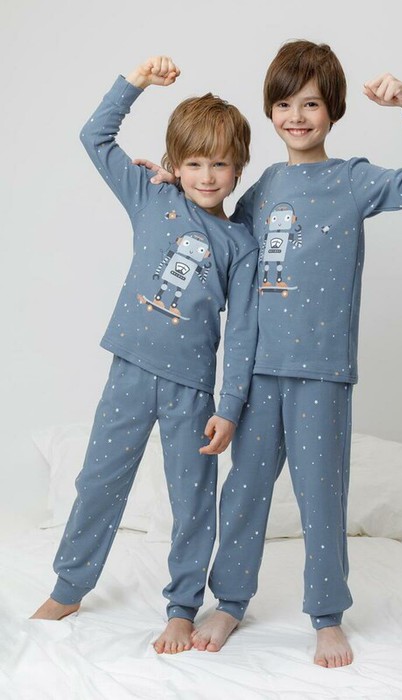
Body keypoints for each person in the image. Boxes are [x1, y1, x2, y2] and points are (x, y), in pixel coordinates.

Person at [138, 39, 402, 668]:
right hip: (257, 373)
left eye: (310, 103)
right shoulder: (262, 189)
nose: (297, 116)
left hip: (322, 373)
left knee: (320, 496)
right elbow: (220, 239)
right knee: (245, 492)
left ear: (333, 108)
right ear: (270, 111)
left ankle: (327, 615)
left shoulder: (355, 179)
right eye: (284, 104)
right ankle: (230, 601)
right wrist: (176, 187)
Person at [30, 55, 259, 656]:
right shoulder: (151, 197)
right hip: (129, 371)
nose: (206, 176)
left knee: (192, 500)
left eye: (220, 164)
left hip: (192, 390)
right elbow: (94, 136)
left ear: (238, 168)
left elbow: (243, 333)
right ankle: (69, 587)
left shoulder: (240, 245)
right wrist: (135, 83)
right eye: (194, 163)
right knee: (98, 481)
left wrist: (230, 405)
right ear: (175, 164)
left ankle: (181, 609)